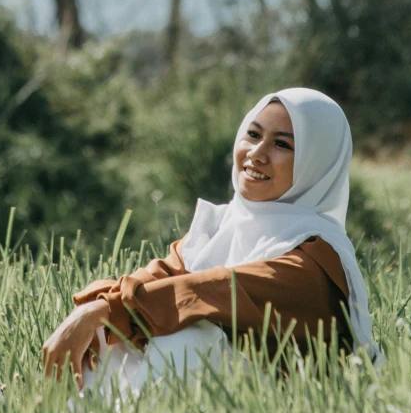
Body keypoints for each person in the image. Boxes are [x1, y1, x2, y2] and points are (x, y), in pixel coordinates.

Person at [43, 87, 380, 394]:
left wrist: (106, 308)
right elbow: (166, 274)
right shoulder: (225, 224)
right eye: (253, 134)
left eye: (282, 144)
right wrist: (96, 310)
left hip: (289, 411)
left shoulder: (317, 255)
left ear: (316, 164)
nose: (256, 154)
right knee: (112, 335)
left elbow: (214, 292)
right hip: (229, 394)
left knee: (189, 334)